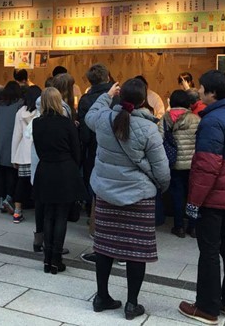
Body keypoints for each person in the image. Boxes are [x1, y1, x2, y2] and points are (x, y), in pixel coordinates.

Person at [85, 79, 170, 320]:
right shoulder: (149, 129)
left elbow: (91, 113)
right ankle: (132, 304)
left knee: (104, 247)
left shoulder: (103, 119)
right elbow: (161, 169)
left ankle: (101, 296)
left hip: (105, 193)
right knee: (136, 252)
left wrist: (106, 95)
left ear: (119, 97)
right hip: (138, 197)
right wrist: (160, 187)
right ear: (144, 101)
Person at [179, 70, 225, 325]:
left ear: (212, 93)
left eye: (201, 88)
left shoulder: (212, 121)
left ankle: (207, 307)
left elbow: (207, 167)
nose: (198, 91)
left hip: (213, 197)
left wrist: (194, 202)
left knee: (208, 251)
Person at [31, 87, 84, 276]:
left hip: (45, 169)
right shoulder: (67, 123)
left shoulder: (36, 123)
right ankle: (56, 259)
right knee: (61, 216)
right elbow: (76, 151)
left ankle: (47, 259)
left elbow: (38, 149)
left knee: (47, 215)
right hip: (64, 170)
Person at [78, 64, 115, 264]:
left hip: (93, 148)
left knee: (95, 186)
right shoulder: (117, 96)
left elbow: (84, 131)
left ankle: (96, 227)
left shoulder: (85, 100)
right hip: (114, 148)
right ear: (107, 76)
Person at [158, 90, 201, 238]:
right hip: (193, 164)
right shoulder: (196, 119)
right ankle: (193, 226)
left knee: (177, 195)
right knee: (193, 195)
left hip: (174, 163)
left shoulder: (165, 118)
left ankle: (179, 227)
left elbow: (159, 139)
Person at [11, 85, 41, 224]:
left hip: (23, 152)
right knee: (39, 183)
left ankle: (17, 212)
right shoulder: (42, 112)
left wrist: (13, 157)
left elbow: (16, 135)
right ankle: (40, 212)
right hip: (38, 151)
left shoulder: (20, 112)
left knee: (22, 183)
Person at [0, 81, 22, 214]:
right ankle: (9, 198)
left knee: (0, 171)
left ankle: (1, 197)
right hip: (12, 141)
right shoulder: (19, 105)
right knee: (11, 171)